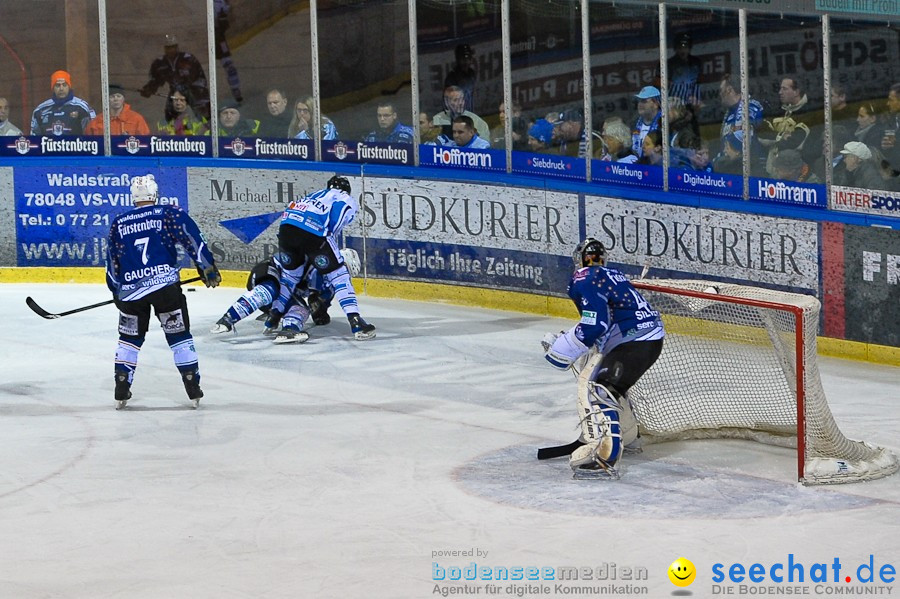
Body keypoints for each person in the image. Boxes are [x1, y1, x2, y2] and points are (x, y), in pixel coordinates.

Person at [542, 238, 664, 478]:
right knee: (612, 385)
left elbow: (595, 325)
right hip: (648, 337)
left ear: (579, 260)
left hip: (635, 340)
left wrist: (561, 350)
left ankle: (605, 459)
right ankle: (628, 437)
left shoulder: (583, 278)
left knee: (600, 389)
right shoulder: (612, 274)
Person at [105, 174, 220, 409]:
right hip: (165, 289)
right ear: (155, 194)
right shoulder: (167, 213)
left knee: (129, 339)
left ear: (133, 197)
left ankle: (121, 387)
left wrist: (116, 291)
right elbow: (192, 239)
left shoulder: (119, 222)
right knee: (178, 335)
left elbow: (111, 262)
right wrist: (206, 266)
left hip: (131, 293)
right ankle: (192, 385)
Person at [274, 175, 375, 340]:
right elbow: (335, 223)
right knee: (339, 275)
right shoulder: (345, 198)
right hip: (313, 232)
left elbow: (291, 214)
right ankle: (356, 322)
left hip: (286, 230)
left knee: (290, 276)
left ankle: (274, 317)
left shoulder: (313, 195)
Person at [210, 256, 311, 344]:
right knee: (269, 289)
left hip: (284, 292)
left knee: (301, 309)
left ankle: (289, 329)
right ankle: (229, 318)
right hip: (267, 272)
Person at [141, 34, 210, 121]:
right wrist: (149, 89)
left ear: (177, 47)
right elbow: (156, 80)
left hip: (195, 91)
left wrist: (195, 94)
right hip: (176, 92)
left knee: (205, 116)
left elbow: (200, 78)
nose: (171, 50)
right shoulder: (159, 63)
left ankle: (210, 129)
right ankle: (178, 132)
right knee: (170, 115)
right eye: (168, 47)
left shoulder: (188, 59)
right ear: (164, 48)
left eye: (173, 47)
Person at [717, 73, 764, 174]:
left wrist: (738, 155)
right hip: (733, 171)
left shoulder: (750, 106)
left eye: (721, 90)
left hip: (752, 171)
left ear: (729, 90)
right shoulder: (729, 113)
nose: (719, 94)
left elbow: (747, 133)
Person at [30, 70, 95, 136]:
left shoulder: (82, 107)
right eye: (58, 85)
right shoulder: (41, 110)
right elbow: (34, 137)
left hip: (75, 145)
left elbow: (92, 134)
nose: (61, 88)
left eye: (64, 85)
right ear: (53, 88)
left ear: (69, 87)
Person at [85, 85, 151, 136]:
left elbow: (145, 142)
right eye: (112, 96)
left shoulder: (136, 119)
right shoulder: (96, 121)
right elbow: (89, 143)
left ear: (123, 99)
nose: (115, 99)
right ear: (106, 99)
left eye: (118, 96)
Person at [214, 0, 243, 103]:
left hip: (219, 39)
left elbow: (227, 20)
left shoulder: (220, 2)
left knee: (229, 65)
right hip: (207, 39)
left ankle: (236, 90)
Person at [667, 32, 702, 114]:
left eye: (685, 47)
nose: (682, 50)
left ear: (689, 48)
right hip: (673, 105)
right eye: (680, 48)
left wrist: (696, 101)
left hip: (690, 105)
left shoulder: (696, 62)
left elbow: (697, 84)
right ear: (675, 48)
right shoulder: (669, 64)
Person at [443, 43, 477, 113]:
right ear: (458, 59)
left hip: (470, 115)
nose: (465, 61)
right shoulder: (452, 77)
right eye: (462, 58)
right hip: (457, 117)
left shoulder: (472, 73)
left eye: (467, 58)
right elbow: (448, 102)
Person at [631, 86, 662, 158]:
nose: (640, 104)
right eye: (639, 101)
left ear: (655, 104)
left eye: (644, 101)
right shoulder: (634, 123)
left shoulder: (664, 123)